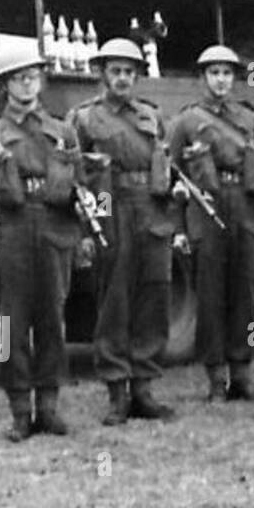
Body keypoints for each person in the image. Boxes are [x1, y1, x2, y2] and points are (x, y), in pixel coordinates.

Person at [0, 52, 83, 440]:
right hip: (12, 233)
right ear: (6, 85)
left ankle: (48, 407)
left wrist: (82, 234)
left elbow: (81, 186)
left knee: (52, 319)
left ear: (42, 81)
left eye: (33, 76)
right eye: (18, 78)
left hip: (54, 228)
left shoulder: (62, 131)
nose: (26, 84)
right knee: (10, 325)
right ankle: (20, 410)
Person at [66, 38, 177, 425]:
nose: (123, 78)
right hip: (110, 205)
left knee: (154, 296)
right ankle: (116, 391)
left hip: (150, 205)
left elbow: (165, 162)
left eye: (129, 71)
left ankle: (144, 388)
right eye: (115, 71)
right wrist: (87, 230)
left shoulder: (152, 115)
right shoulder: (83, 118)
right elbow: (75, 175)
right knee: (114, 301)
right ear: (101, 74)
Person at [167, 45, 254, 402]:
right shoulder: (185, 122)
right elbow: (173, 179)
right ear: (202, 78)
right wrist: (180, 229)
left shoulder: (251, 120)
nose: (221, 80)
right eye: (214, 73)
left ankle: (243, 373)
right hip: (206, 207)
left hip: (245, 207)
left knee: (247, 294)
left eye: (228, 73)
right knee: (211, 296)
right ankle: (216, 379)